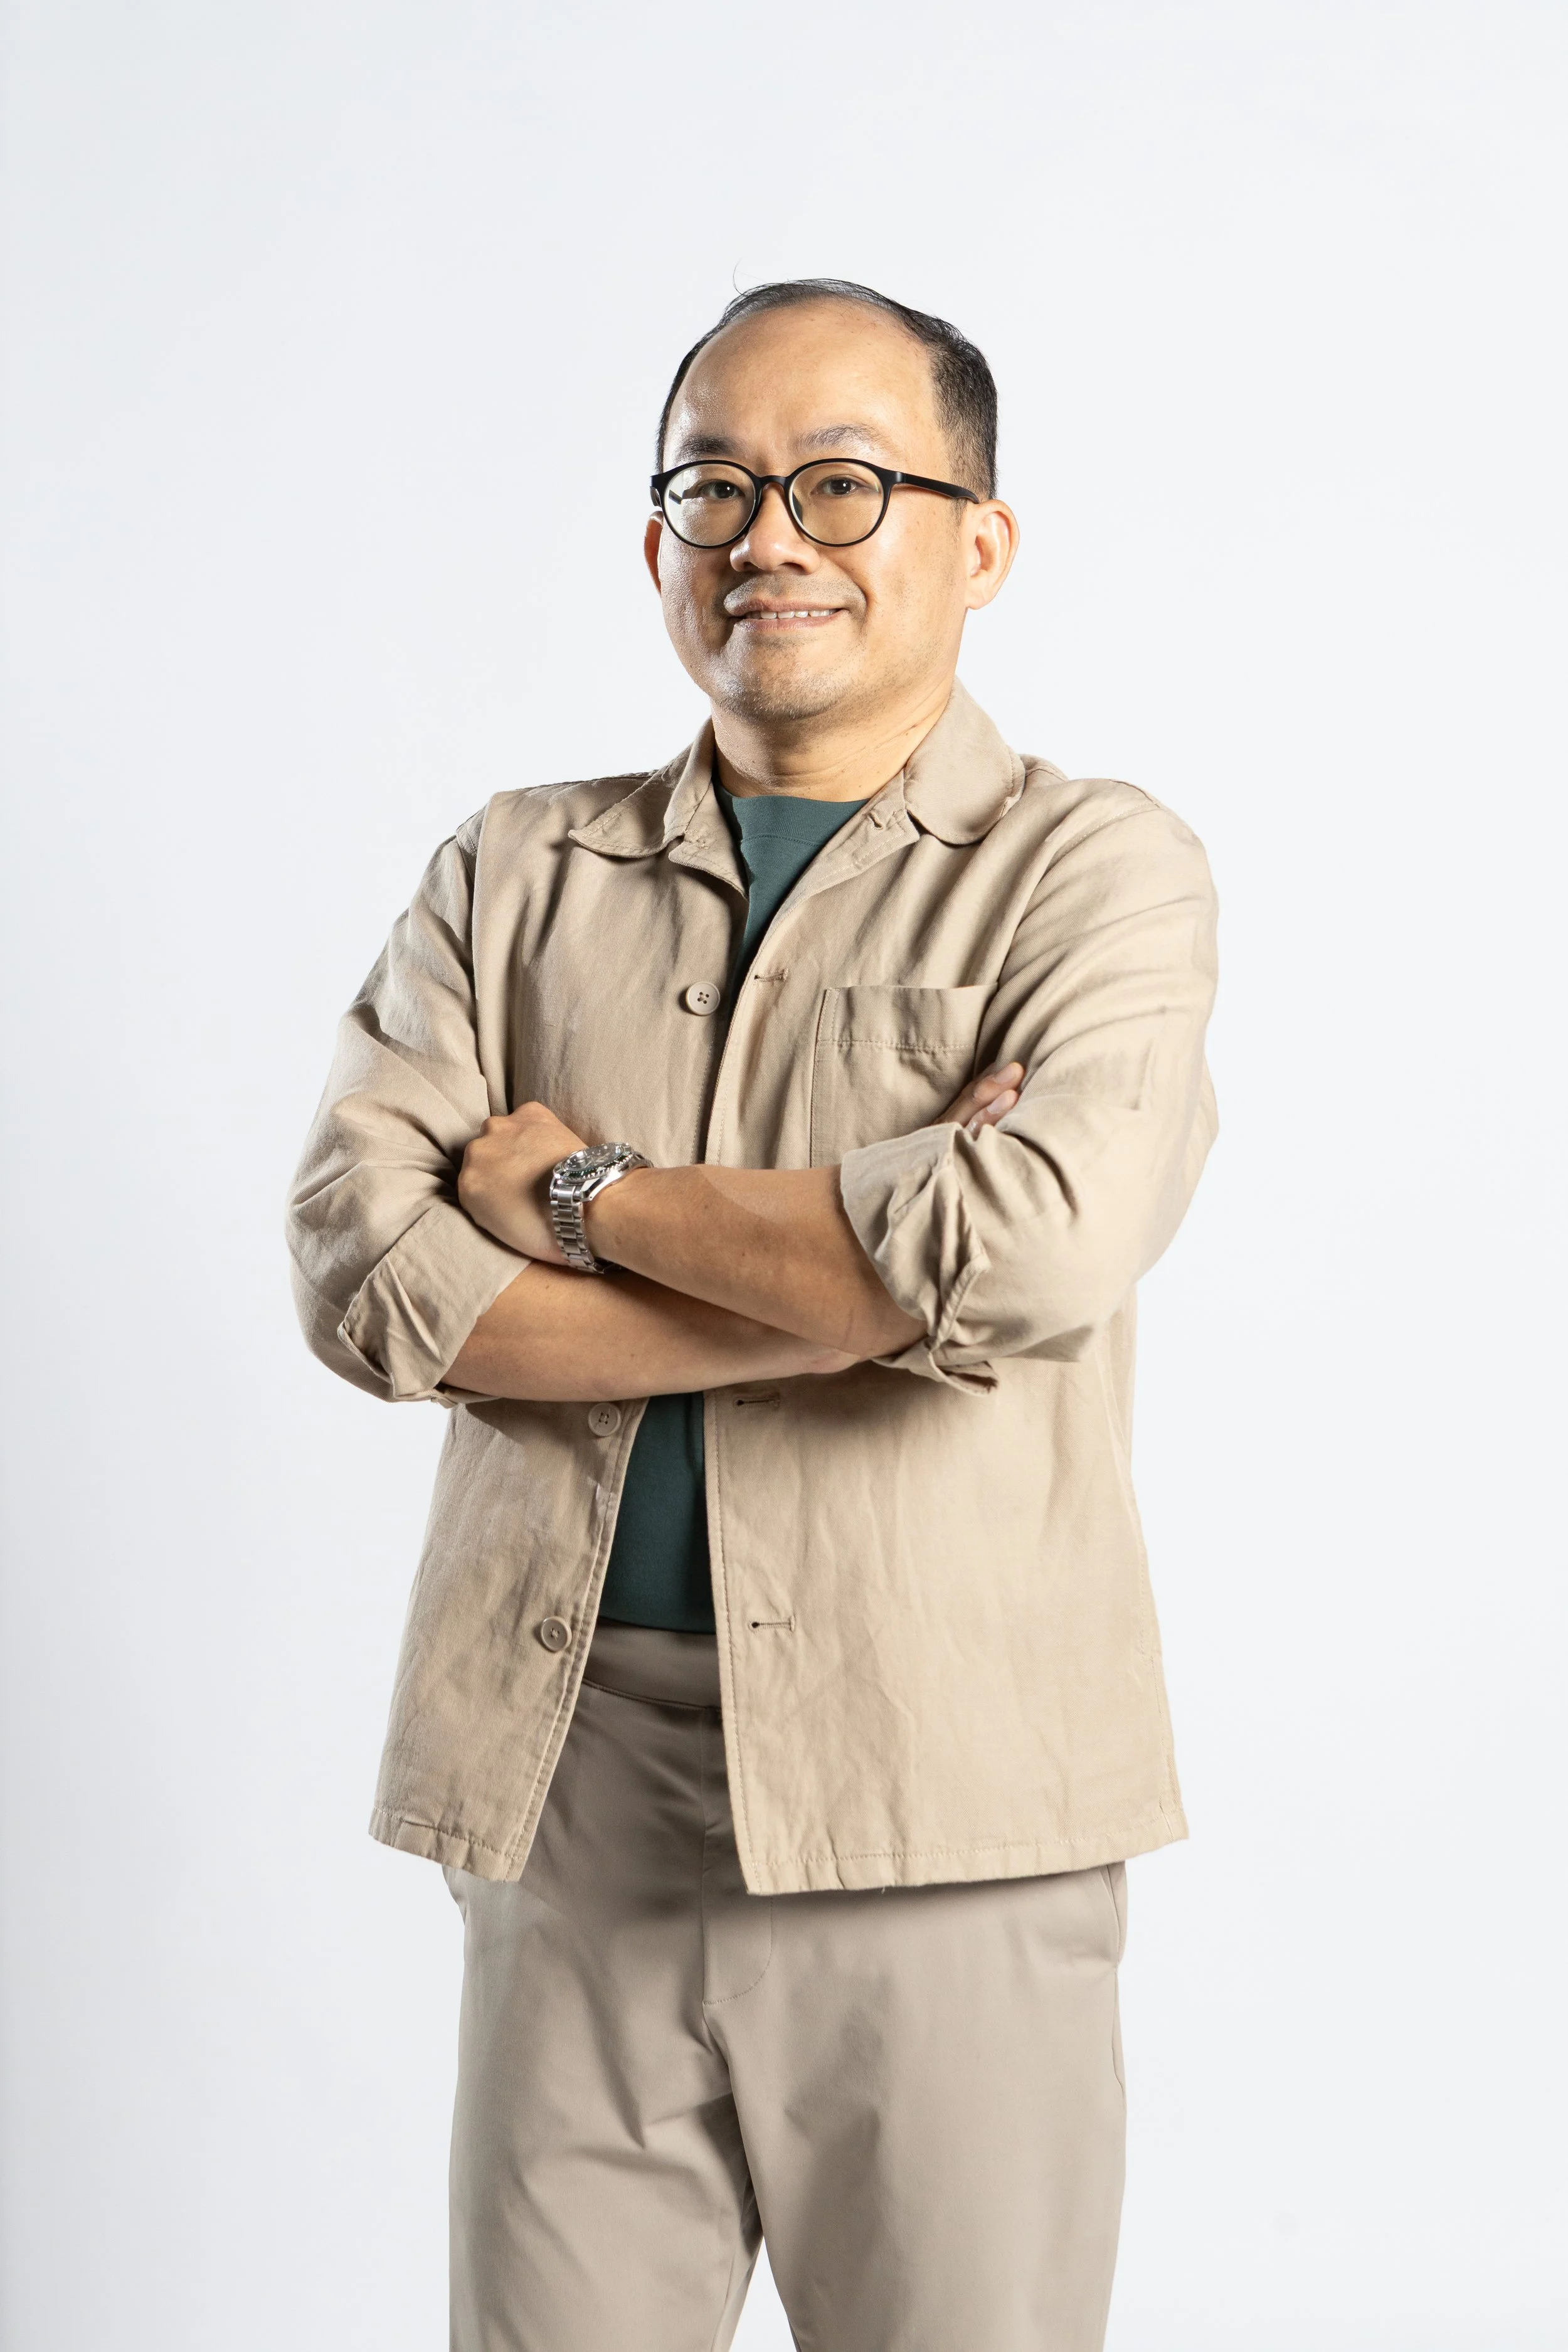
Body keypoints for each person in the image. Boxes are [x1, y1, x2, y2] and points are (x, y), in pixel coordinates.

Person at [287, 277, 1219, 2352]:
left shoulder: (1090, 872)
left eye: (839, 484)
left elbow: (1039, 1247)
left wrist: (583, 1198)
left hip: (946, 1803)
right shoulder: (511, 874)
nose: (767, 537)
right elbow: (373, 1281)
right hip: (572, 1786)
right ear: (654, 543)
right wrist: (851, 1295)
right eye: (713, 487)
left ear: (976, 540)